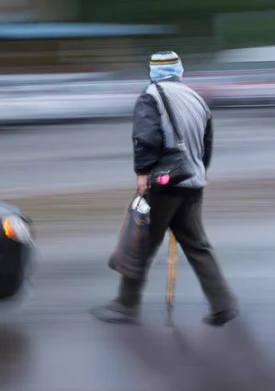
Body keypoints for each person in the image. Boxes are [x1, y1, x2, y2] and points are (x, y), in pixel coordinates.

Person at [90, 51, 238, 327]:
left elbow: (145, 137)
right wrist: (196, 172)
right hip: (192, 183)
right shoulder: (197, 99)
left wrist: (143, 172)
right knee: (198, 246)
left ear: (153, 72)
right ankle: (223, 303)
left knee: (140, 242)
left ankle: (125, 305)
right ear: (179, 71)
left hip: (164, 184)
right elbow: (206, 147)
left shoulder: (151, 95)